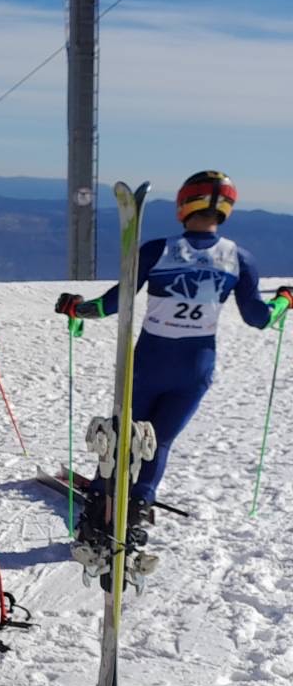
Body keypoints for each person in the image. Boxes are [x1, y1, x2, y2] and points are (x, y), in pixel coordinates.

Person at [56, 170, 290, 532]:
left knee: (120, 439)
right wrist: (284, 300)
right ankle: (137, 511)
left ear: (184, 203)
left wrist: (77, 308)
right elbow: (259, 318)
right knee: (158, 442)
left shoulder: (157, 250)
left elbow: (111, 305)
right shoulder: (239, 258)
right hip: (195, 368)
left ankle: (97, 513)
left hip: (149, 363)